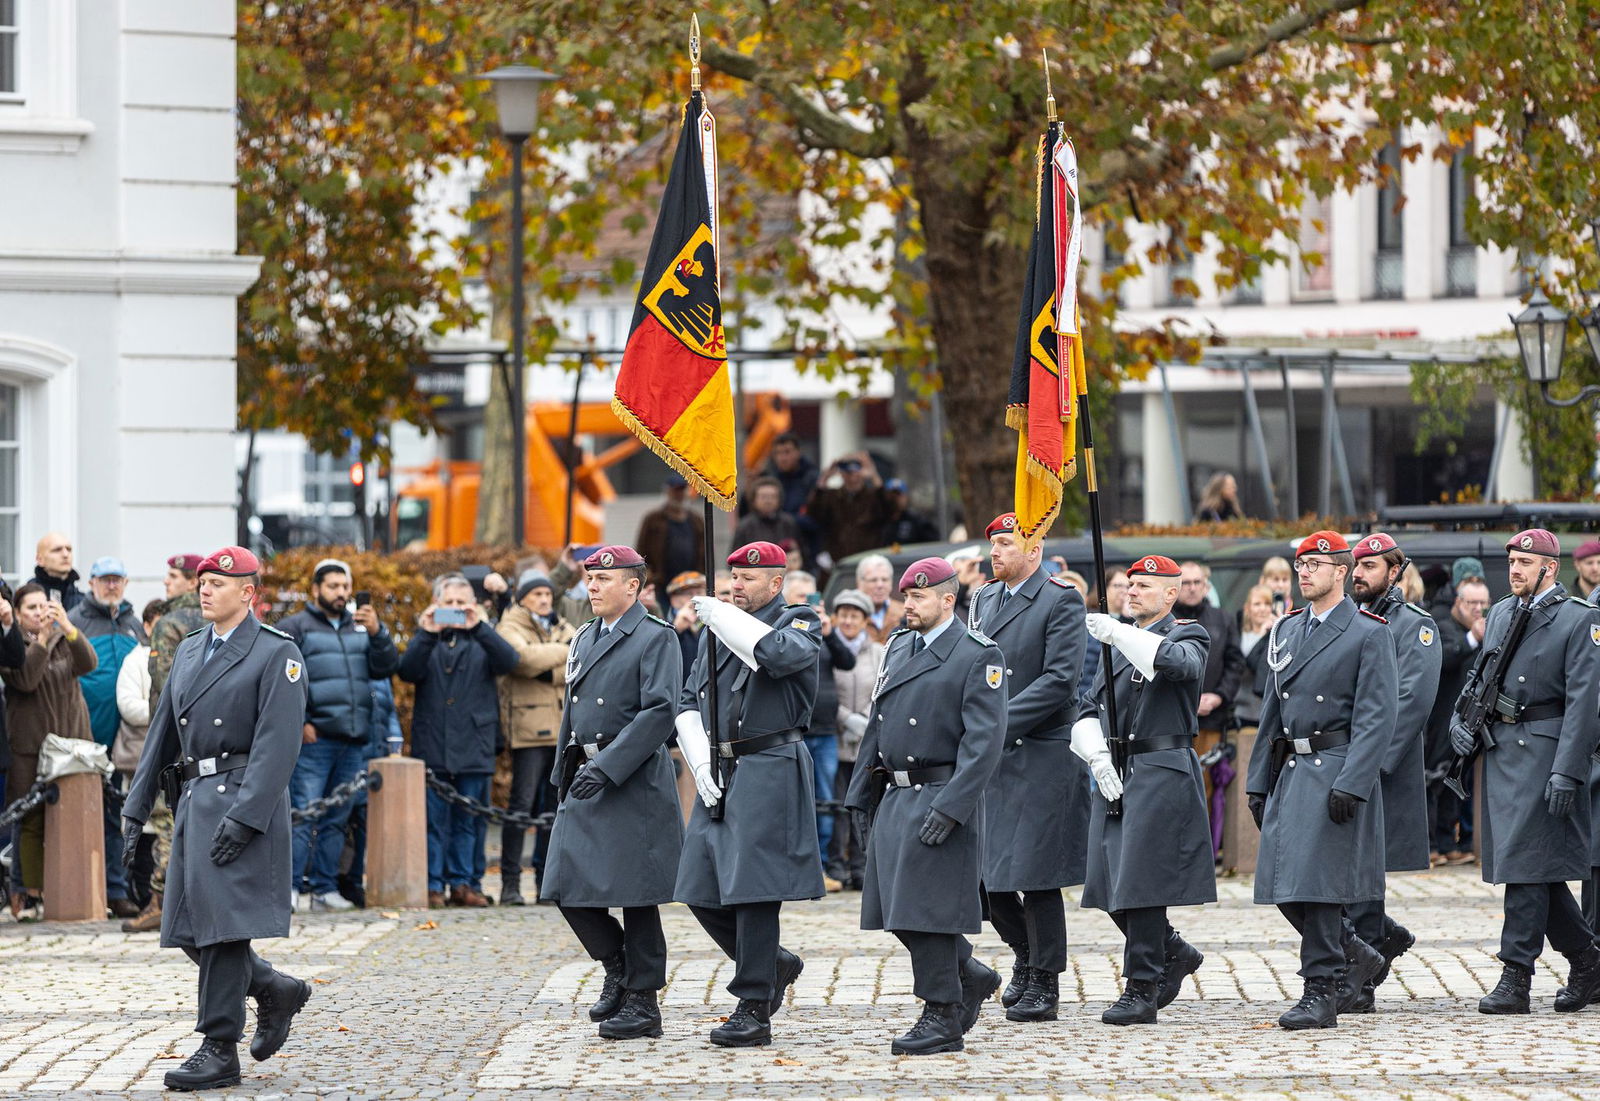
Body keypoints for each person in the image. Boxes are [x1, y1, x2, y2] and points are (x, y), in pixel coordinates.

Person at [118, 546, 312, 1091]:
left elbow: (278, 744)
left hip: (241, 798)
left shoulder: (276, 652)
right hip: (195, 800)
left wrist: (247, 817)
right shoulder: (189, 649)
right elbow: (161, 734)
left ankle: (218, 1046)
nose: (205, 589)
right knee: (185, 925)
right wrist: (135, 810)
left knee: (223, 930)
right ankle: (273, 986)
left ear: (248, 593)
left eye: (218, 583)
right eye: (202, 581)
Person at [843, 556, 1005, 1054]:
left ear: (947, 599)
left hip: (939, 792)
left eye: (917, 596)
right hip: (896, 793)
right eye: (905, 596)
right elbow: (878, 723)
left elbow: (985, 742)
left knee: (929, 910)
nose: (907, 604)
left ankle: (941, 1014)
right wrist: (860, 796)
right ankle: (968, 973)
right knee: (897, 909)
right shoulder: (899, 646)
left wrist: (953, 808)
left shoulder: (977, 653)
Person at [672, 540, 824, 1048]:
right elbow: (690, 696)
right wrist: (697, 756)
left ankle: (753, 1005)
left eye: (748, 578)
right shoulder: (719, 626)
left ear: (776, 583)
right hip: (722, 764)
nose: (736, 585)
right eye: (732, 576)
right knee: (698, 885)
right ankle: (773, 964)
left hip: (769, 763)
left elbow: (779, 657)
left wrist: (722, 618)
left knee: (754, 891)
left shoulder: (799, 620)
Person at [1246, 531, 1398, 1030]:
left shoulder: (1368, 631)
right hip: (1291, 769)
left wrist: (1354, 781)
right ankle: (1356, 954)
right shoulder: (1287, 631)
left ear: (1342, 571)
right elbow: (1273, 711)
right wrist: (1256, 779)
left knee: (1320, 888)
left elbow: (1379, 717)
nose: (1304, 572)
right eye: (1300, 565)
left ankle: (1321, 991)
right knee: (1283, 885)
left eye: (1315, 564)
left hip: (1335, 766)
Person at [1452, 529, 1600, 1014]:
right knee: (1531, 867)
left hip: (1545, 753)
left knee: (1525, 869)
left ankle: (1516, 975)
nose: (1514, 569)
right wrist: (1460, 719)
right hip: (1503, 753)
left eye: (1524, 561)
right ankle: (1587, 960)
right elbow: (1480, 674)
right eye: (1512, 560)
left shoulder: (1579, 620)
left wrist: (1568, 771)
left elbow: (1585, 703)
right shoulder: (1500, 612)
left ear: (1550, 568)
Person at [541, 545, 684, 1040]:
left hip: (631, 777)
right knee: (564, 885)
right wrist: (564, 767)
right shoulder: (584, 635)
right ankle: (618, 968)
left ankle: (643, 1003)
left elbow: (660, 711)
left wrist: (608, 766)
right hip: (586, 773)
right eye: (590, 578)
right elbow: (571, 710)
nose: (593, 586)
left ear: (634, 586)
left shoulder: (654, 637)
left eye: (606, 579)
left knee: (636, 895)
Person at [1077, 555, 1216, 1024]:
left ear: (1170, 594)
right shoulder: (1113, 644)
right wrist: (1095, 754)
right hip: (1116, 766)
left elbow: (1177, 665)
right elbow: (1087, 706)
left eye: (1143, 586)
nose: (1131, 592)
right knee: (1108, 879)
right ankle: (1172, 950)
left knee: (1141, 883)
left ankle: (1142, 985)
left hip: (1159, 765)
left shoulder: (1188, 633)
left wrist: (1119, 633)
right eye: (1129, 585)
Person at [967, 512, 1089, 1023]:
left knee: (1037, 877)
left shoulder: (1060, 599)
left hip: (1040, 749)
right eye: (992, 542)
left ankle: (1046, 981)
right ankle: (1024, 954)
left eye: (1006, 544)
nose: (995, 552)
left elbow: (1060, 680)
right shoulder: (984, 598)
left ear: (1034, 551)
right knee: (989, 877)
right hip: (996, 756)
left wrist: (996, 721)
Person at [1345, 532, 1443, 1007]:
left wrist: (1371, 763)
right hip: (1344, 763)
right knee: (1345, 866)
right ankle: (1382, 939)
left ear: (1394, 571)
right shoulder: (1349, 619)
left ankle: (1360, 980)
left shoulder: (1414, 626)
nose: (1359, 573)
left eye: (1370, 566)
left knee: (1365, 868)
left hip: (1383, 767)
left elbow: (1412, 700)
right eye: (1356, 565)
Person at [275, 559, 398, 913]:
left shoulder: (361, 627)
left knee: (337, 819)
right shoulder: (295, 627)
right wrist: (300, 722)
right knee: (304, 814)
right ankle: (292, 888)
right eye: (333, 586)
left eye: (345, 587)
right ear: (316, 590)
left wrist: (378, 633)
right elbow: (284, 682)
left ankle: (325, 890)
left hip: (354, 738)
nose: (341, 593)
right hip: (316, 739)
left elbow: (386, 668)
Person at [397, 572, 519, 908]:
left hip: (475, 743)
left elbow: (510, 661)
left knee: (471, 821)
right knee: (434, 822)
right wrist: (425, 632)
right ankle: (434, 885)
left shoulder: (482, 636)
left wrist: (477, 625)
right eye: (448, 603)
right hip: (434, 741)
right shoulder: (427, 637)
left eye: (461, 603)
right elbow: (406, 671)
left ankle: (465, 883)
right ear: (436, 604)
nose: (454, 609)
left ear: (475, 605)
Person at [1, 583, 97, 918]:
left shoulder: (64, 639)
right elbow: (26, 679)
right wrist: (40, 640)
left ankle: (67, 891)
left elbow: (89, 664)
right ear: (17, 613)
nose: (40, 613)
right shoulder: (12, 645)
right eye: (31, 608)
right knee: (30, 821)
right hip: (30, 745)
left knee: (68, 819)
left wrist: (68, 629)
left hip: (69, 742)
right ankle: (29, 895)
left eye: (44, 606)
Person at [129, 553, 206, 934]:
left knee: (165, 819)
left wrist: (161, 744)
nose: (166, 583)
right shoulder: (215, 619)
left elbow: (163, 690)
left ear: (193, 581)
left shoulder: (170, 623)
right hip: (211, 739)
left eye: (173, 576)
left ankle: (161, 900)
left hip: (176, 737)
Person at [68, 554, 148, 919]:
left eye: (118, 579)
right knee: (82, 816)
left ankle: (117, 889)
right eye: (105, 579)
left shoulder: (134, 624)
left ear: (126, 584)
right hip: (87, 733)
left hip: (127, 740)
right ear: (92, 583)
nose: (112, 585)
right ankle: (83, 889)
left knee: (122, 816)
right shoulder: (76, 621)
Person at [494, 570, 577, 905]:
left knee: (552, 808)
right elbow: (523, 661)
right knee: (521, 808)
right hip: (528, 730)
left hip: (559, 728)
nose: (544, 600)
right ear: (522, 598)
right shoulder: (510, 624)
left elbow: (581, 655)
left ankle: (546, 882)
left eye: (547, 594)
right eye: (536, 595)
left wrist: (549, 666)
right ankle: (509, 883)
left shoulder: (558, 623)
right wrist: (562, 651)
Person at [782, 570, 855, 892]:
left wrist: (830, 632)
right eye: (801, 598)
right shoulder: (783, 631)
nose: (808, 604)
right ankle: (793, 869)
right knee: (792, 802)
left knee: (825, 801)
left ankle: (823, 866)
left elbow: (847, 662)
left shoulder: (823, 632)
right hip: (793, 730)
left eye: (813, 598)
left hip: (825, 730)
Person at [1423, 578, 1487, 866]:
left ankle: (1449, 845)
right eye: (1472, 603)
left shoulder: (1484, 631)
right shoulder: (1443, 626)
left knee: (1456, 785)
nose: (1478, 609)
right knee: (1433, 782)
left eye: (1483, 604)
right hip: (1440, 719)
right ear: (1458, 603)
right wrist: (1473, 638)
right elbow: (1446, 658)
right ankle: (1430, 845)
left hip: (1468, 722)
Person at [115, 599, 167, 904]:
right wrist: (164, 711)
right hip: (140, 754)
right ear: (147, 626)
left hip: (171, 755)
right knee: (142, 827)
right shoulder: (135, 660)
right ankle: (144, 894)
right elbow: (129, 706)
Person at [829, 588, 880, 890]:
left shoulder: (877, 652)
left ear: (865, 620)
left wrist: (864, 717)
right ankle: (837, 866)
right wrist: (845, 717)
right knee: (836, 806)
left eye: (854, 616)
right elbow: (822, 691)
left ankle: (862, 868)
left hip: (865, 743)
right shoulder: (830, 649)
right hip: (835, 741)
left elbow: (882, 687)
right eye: (843, 615)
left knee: (863, 807)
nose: (848, 621)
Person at [1175, 562, 1244, 767]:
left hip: (1212, 718)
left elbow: (1235, 663)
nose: (1192, 587)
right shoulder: (1165, 620)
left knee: (1206, 786)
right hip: (1173, 720)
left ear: (1206, 586)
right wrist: (1186, 702)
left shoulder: (1222, 618)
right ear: (1175, 587)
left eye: (1198, 582)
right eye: (1186, 583)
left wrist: (1218, 696)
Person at [806, 452, 893, 569]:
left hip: (868, 562)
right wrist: (824, 479)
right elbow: (813, 513)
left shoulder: (873, 497)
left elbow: (890, 510)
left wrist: (874, 476)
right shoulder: (832, 496)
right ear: (841, 474)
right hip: (838, 563)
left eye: (856, 471)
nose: (852, 476)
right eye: (847, 472)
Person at [635, 473, 706, 597]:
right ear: (667, 492)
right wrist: (646, 573)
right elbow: (641, 548)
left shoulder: (697, 520)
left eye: (682, 490)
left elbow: (705, 552)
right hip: (661, 584)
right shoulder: (653, 519)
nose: (679, 495)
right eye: (675, 490)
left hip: (691, 583)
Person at [1237, 584, 1281, 728]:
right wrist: (1262, 634)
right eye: (1257, 604)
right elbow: (1247, 661)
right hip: (1242, 711)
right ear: (1247, 608)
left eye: (1267, 603)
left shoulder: (1277, 635)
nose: (1262, 608)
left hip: (1266, 710)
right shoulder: (1239, 634)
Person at [731, 478, 803, 563]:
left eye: (773, 497)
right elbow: (735, 557)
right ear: (754, 499)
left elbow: (801, 553)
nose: (768, 501)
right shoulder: (745, 526)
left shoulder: (788, 523)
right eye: (763, 497)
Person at [854, 554, 904, 645]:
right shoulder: (845, 617)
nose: (880, 585)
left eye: (885, 580)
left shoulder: (905, 613)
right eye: (873, 580)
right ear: (859, 583)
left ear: (891, 583)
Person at [666, 572, 706, 677]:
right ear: (673, 600)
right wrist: (676, 629)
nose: (695, 599)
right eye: (688, 594)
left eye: (699, 592)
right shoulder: (663, 626)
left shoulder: (712, 624)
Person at [31, 532, 84, 611]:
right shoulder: (27, 597)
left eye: (69, 549)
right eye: (57, 550)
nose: (65, 555)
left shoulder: (83, 602)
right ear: (40, 559)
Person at [882, 478, 940, 546]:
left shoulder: (916, 520)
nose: (895, 499)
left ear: (906, 497)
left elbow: (934, 542)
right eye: (892, 496)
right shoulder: (880, 519)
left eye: (899, 495)